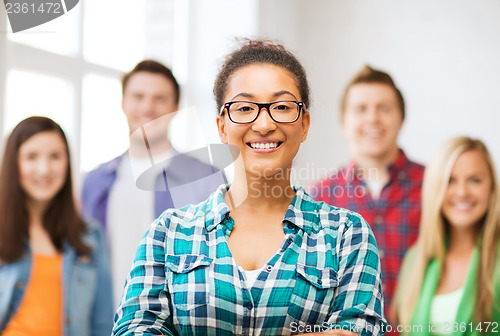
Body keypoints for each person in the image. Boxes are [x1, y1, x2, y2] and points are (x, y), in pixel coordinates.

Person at [113, 39, 386, 336]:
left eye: (281, 106)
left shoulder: (346, 234)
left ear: (304, 124)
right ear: (222, 127)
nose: (264, 123)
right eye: (244, 108)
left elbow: (361, 330)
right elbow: (135, 329)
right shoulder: (167, 234)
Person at [81, 60, 223, 306]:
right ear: (124, 103)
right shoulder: (93, 182)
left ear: (175, 108)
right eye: (138, 96)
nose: (147, 107)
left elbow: (224, 263)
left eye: (159, 99)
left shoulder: (207, 179)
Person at [310, 65, 424, 318]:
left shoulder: (436, 186)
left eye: (384, 108)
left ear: (401, 118)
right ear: (344, 122)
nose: (373, 118)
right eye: (361, 109)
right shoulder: (319, 199)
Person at [0, 116, 113, 335]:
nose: (44, 169)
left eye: (55, 156)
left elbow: (103, 324)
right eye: (31, 157)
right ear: (14, 163)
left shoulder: (90, 236)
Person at [392, 137, 500, 336]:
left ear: (492, 188)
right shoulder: (415, 259)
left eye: (475, 180)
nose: (462, 192)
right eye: (450, 180)